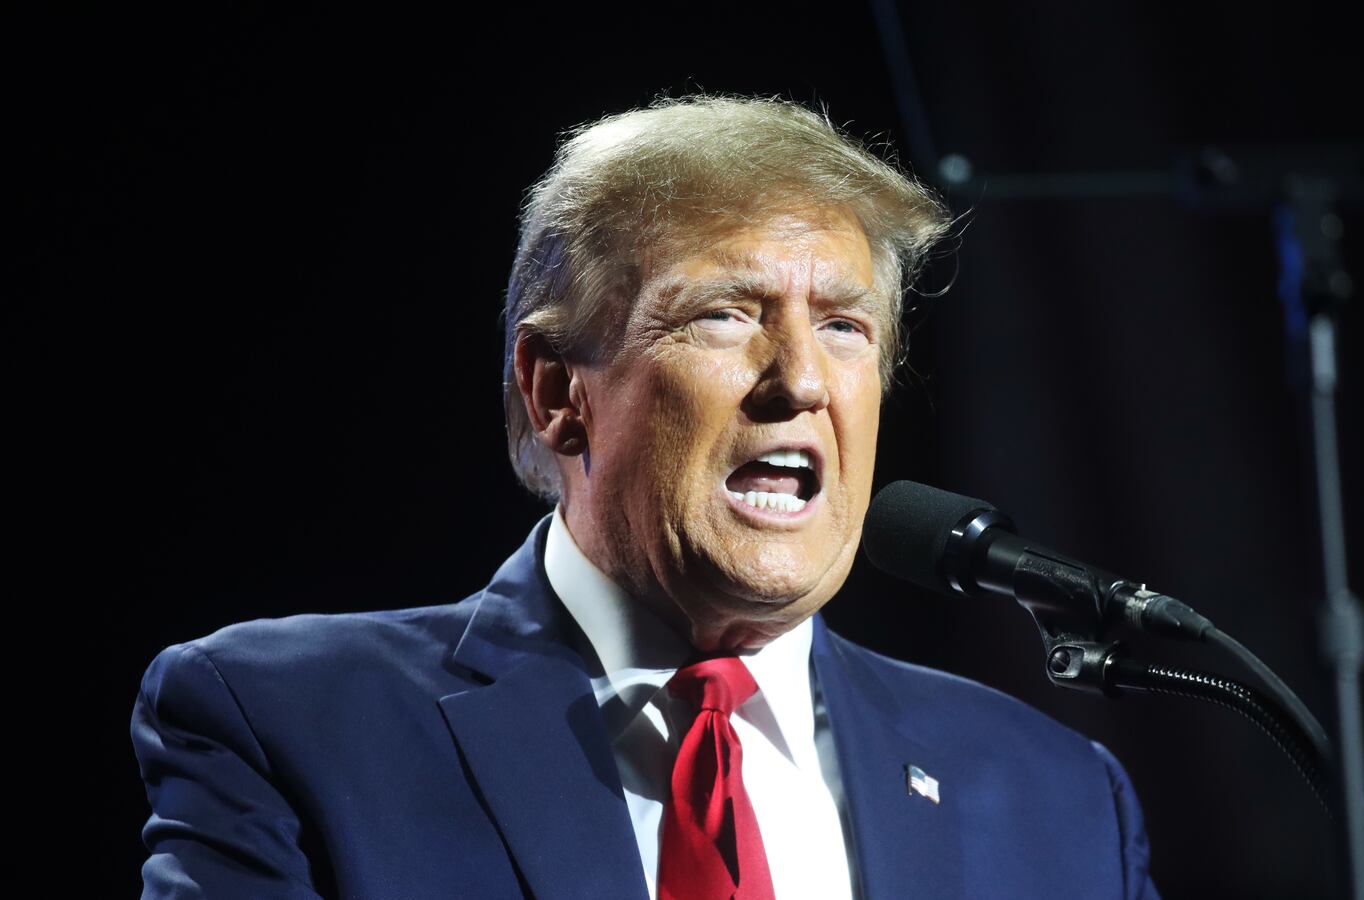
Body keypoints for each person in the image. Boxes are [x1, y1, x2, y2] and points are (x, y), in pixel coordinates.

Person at [131, 95, 1159, 899]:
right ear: (556, 393)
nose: (801, 381)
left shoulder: (1054, 797)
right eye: (724, 315)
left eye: (844, 326)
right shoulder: (295, 725)